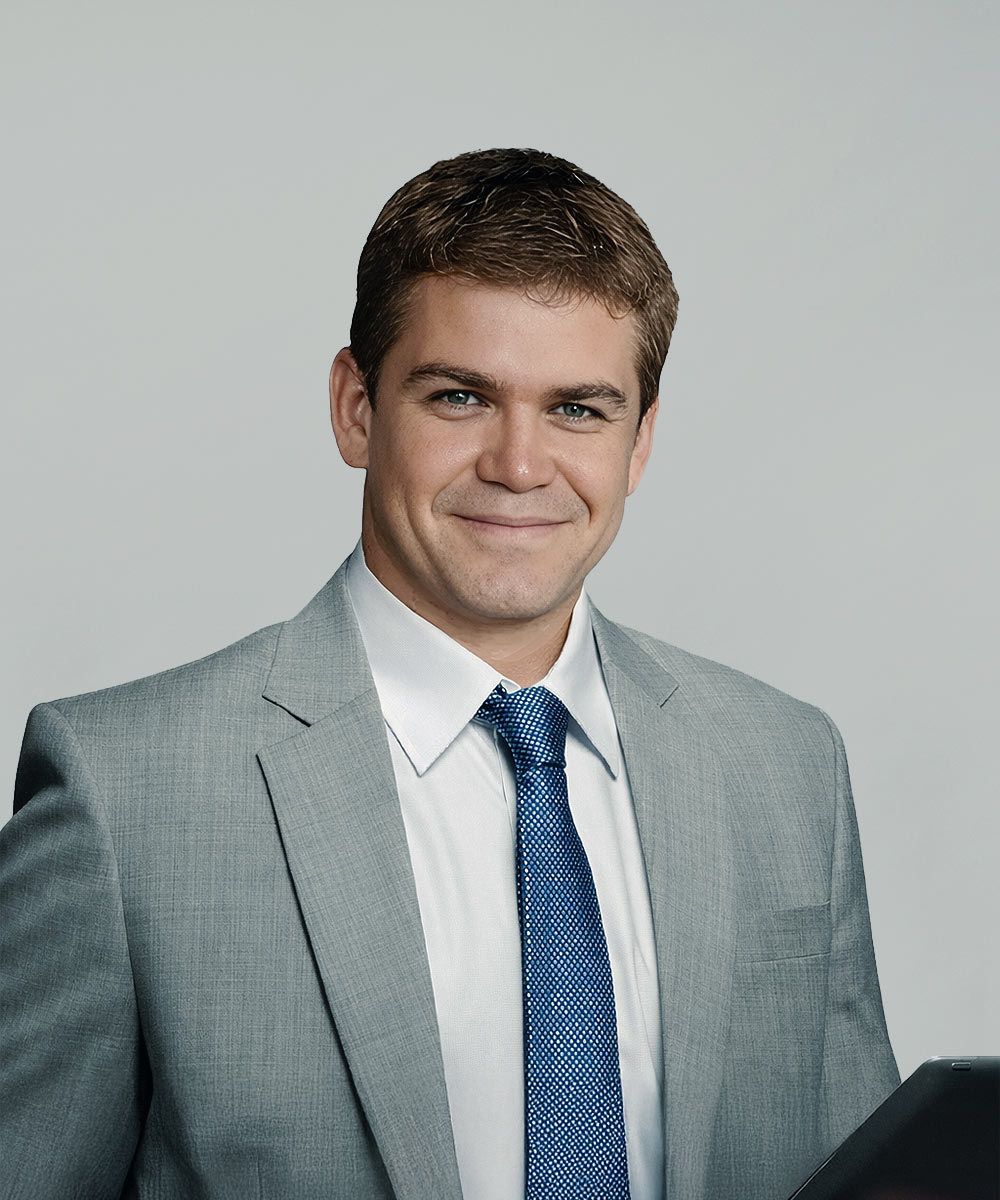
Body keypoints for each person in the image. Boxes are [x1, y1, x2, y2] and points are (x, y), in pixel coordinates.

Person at [0, 148, 898, 1200]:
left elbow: (872, 1180)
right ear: (356, 407)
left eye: (578, 409)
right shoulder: (125, 793)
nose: (519, 465)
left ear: (640, 441)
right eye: (462, 396)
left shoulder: (784, 767)